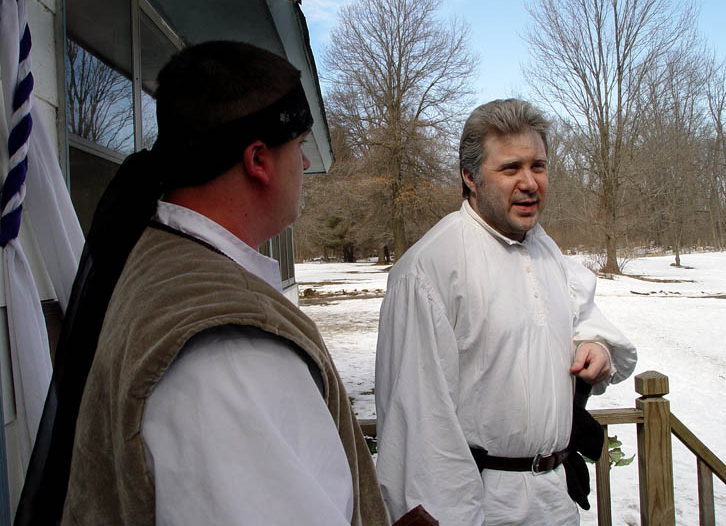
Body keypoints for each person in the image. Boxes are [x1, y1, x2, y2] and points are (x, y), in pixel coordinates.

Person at [15, 41, 389, 526]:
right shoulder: (231, 350)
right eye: (299, 146)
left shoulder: (154, 259)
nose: (305, 165)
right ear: (259, 160)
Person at [374, 99, 637, 525]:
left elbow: (586, 323)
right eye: (511, 168)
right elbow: (420, 425)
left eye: (539, 166)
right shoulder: (431, 268)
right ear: (470, 177)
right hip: (481, 504)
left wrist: (596, 347)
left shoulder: (546, 252)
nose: (530, 183)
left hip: (555, 499)